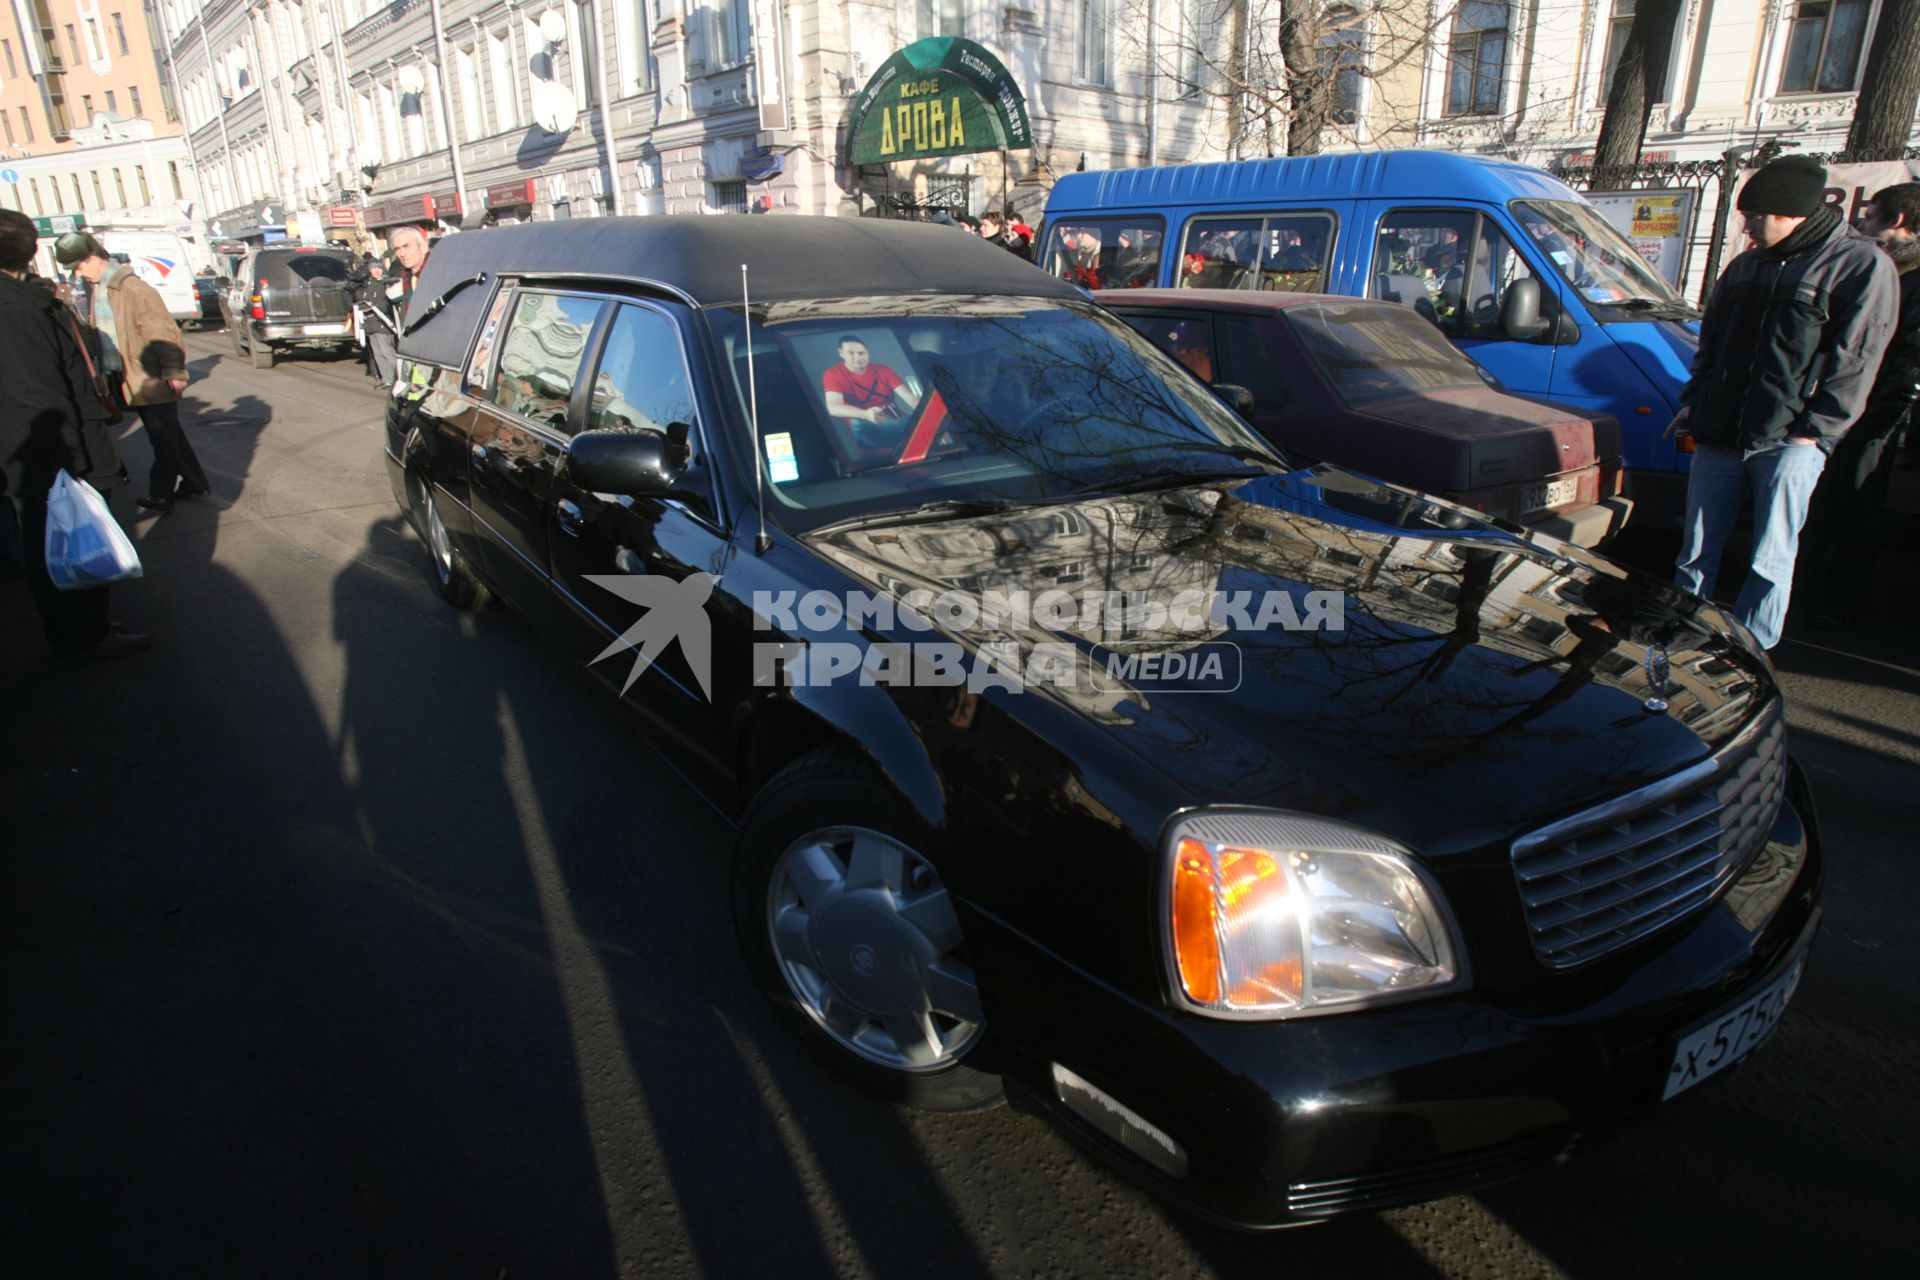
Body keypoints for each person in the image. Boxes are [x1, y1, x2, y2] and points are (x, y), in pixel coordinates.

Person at [1669, 155, 1898, 649]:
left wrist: (1815, 430)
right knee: (1695, 552)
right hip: (1720, 431)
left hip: (1790, 439)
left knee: (1769, 558)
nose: (1747, 225)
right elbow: (1711, 341)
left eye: (1757, 215)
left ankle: (1753, 652)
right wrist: (1696, 399)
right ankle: (1683, 639)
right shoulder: (1744, 266)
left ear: (1792, 211)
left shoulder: (1859, 264)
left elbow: (1857, 356)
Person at [0, 210, 149, 659]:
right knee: (65, 539)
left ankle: (85, 624)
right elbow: (37, 395)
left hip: (34, 450)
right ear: (29, 251)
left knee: (53, 539)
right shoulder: (19, 308)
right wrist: (70, 459)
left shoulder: (19, 302)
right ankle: (81, 634)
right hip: (51, 452)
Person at [1796, 182, 1920, 629]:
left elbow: (1907, 362)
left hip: (1872, 419)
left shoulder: (1911, 279)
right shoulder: (1882, 270)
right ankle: (1809, 593)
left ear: (1899, 223)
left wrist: (1876, 421)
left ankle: (1837, 602)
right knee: (1825, 504)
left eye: (1870, 218)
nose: (1862, 226)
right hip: (1846, 409)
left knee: (1857, 508)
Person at [55, 231, 206, 515]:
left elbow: (163, 332)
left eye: (79, 266)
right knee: (169, 435)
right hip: (126, 378)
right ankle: (196, 483)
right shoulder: (101, 289)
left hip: (149, 377)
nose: (78, 274)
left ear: (93, 259)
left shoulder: (133, 289)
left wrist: (173, 371)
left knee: (163, 440)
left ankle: (161, 495)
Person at [822, 336, 920, 447]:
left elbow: (909, 396)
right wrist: (866, 414)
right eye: (851, 353)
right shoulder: (833, 374)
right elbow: (833, 407)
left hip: (894, 418)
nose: (857, 358)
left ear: (868, 353)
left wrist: (926, 416)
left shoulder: (883, 370)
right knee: (858, 424)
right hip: (863, 420)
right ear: (841, 353)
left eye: (861, 353)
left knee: (915, 426)